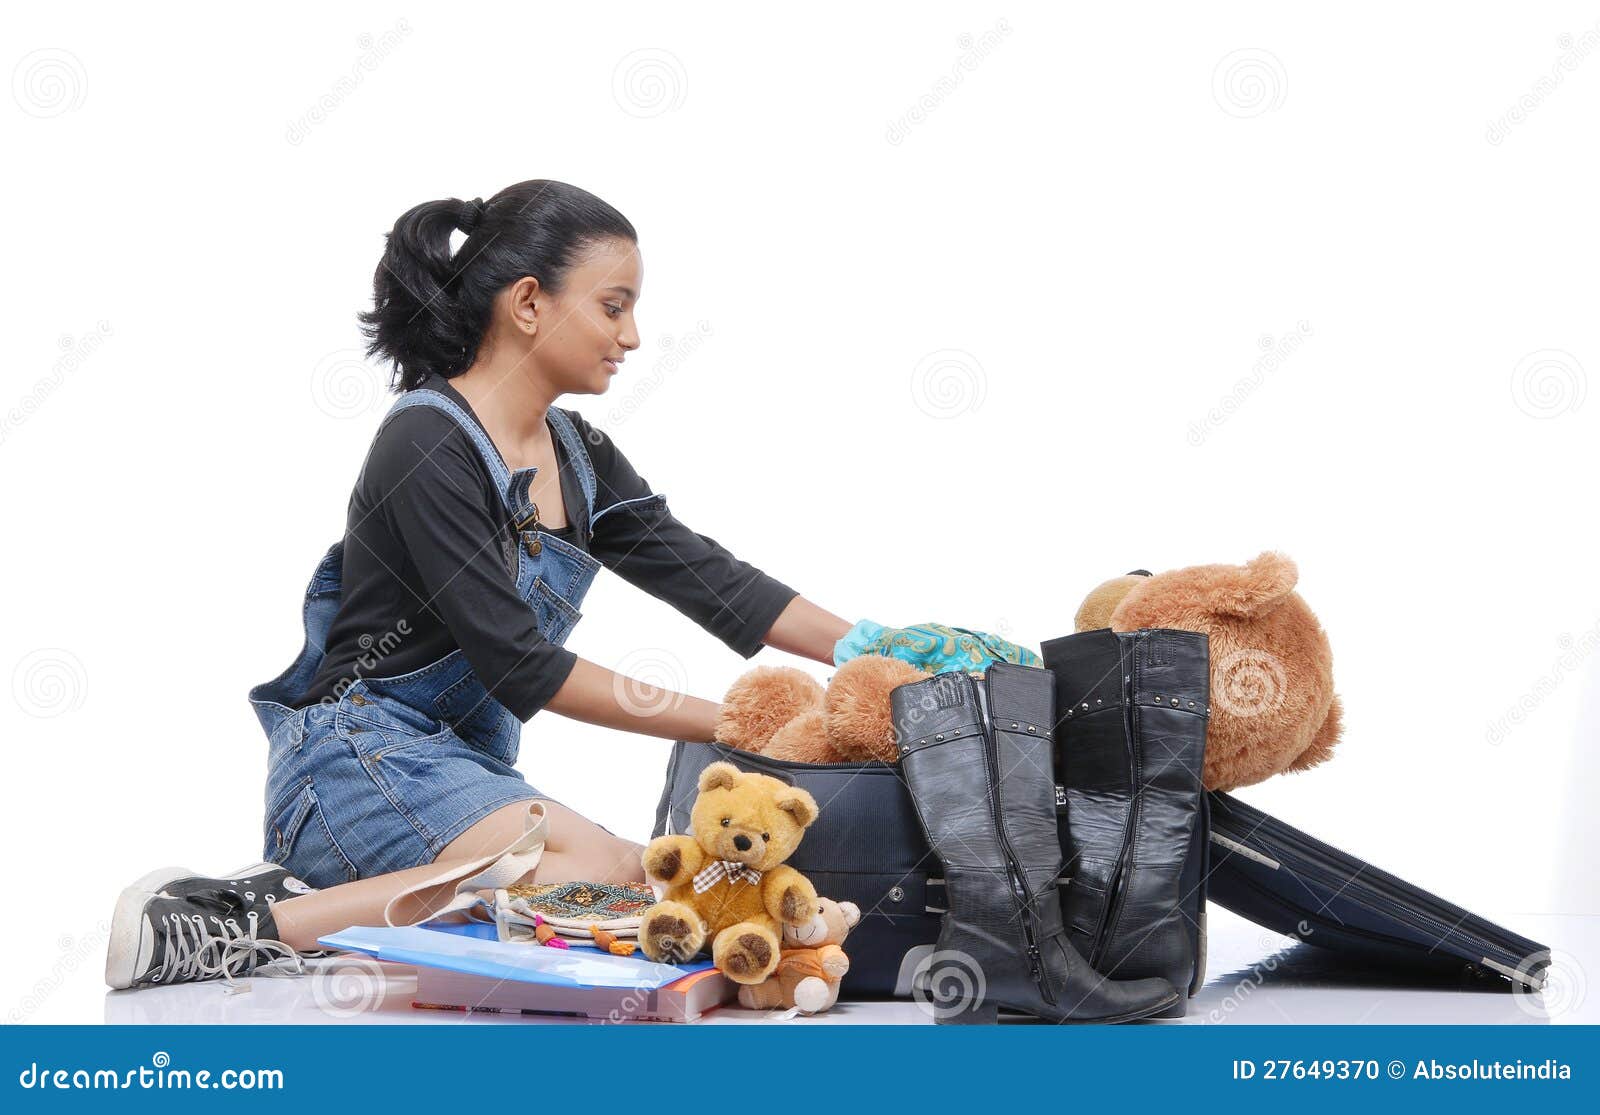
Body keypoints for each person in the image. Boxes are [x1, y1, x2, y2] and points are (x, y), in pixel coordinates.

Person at [105, 180, 853, 990]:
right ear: (529, 302)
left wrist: (874, 653)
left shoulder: (579, 454)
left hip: (466, 776)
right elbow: (520, 665)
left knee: (643, 883)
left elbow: (715, 579)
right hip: (357, 762)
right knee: (619, 874)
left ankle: (324, 904)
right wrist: (749, 727)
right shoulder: (427, 442)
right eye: (613, 306)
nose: (632, 336)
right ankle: (238, 926)